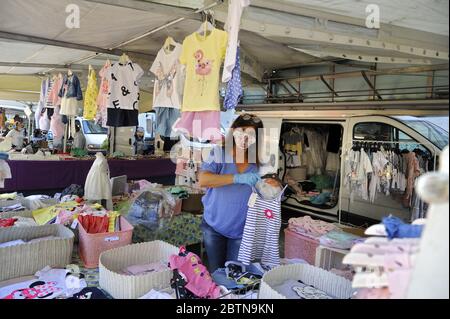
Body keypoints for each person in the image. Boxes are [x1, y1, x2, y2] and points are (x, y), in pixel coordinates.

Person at [198, 113, 278, 272]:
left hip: (242, 230)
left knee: (236, 276)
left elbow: (263, 190)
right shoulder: (219, 153)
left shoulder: (257, 163)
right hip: (214, 226)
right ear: (233, 130)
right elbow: (203, 180)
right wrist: (237, 178)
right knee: (217, 273)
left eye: (252, 134)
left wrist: (274, 186)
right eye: (242, 131)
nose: (245, 138)